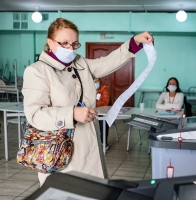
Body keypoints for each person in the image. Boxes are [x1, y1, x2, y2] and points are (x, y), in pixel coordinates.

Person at [22, 18, 153, 186]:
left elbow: (108, 62)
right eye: (65, 43)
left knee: (95, 191)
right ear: (50, 42)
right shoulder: (37, 71)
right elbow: (35, 114)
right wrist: (72, 113)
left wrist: (134, 42)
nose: (70, 48)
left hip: (89, 147)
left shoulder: (80, 64)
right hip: (59, 150)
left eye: (75, 44)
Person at [94, 78, 110, 150]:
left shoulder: (104, 88)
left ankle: (104, 142)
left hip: (102, 111)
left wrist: (93, 102)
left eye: (97, 81)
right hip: (91, 111)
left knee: (103, 119)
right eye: (93, 81)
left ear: (100, 81)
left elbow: (105, 102)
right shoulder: (88, 89)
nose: (95, 83)